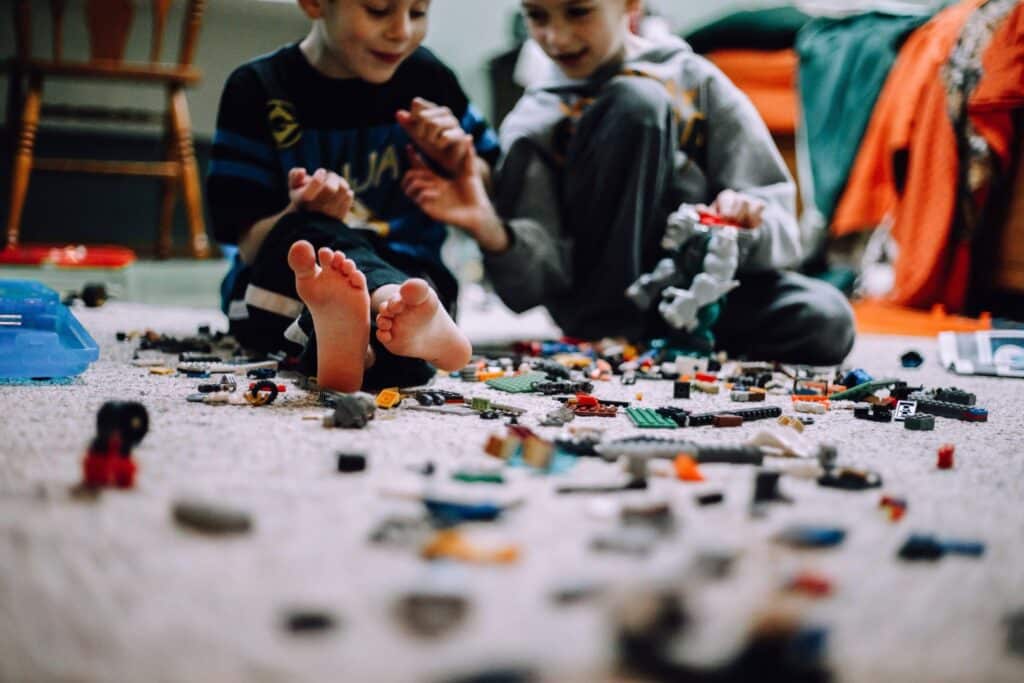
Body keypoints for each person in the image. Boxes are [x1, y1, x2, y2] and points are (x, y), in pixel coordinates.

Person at [402, 0, 856, 366]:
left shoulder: (697, 81)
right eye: (537, 16)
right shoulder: (532, 122)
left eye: (578, 12)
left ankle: (675, 337)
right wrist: (492, 230)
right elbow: (532, 286)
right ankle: (623, 334)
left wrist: (746, 222)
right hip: (601, 308)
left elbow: (783, 231)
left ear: (630, 6)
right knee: (634, 100)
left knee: (828, 320)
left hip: (698, 295)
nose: (555, 37)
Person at [207, 0, 500, 391]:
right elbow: (248, 246)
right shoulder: (258, 88)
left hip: (415, 277)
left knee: (414, 311)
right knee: (308, 238)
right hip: (293, 281)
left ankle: (360, 349)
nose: (402, 31)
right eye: (379, 10)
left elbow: (490, 178)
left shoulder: (428, 79)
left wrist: (458, 162)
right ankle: (378, 319)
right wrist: (299, 210)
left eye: (418, 12)